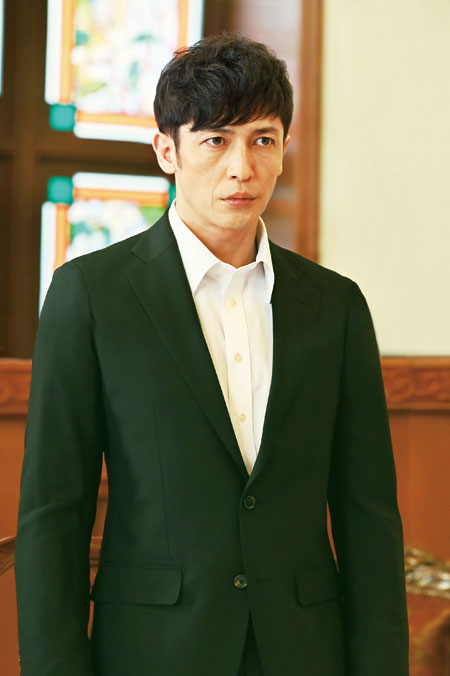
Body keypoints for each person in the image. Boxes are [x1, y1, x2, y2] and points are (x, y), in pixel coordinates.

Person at [15, 33, 409, 676]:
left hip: (306, 652)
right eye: (216, 140)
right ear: (167, 151)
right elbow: (53, 517)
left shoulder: (335, 306)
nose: (242, 168)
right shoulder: (90, 295)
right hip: (152, 652)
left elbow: (369, 519)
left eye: (262, 140)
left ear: (284, 148)